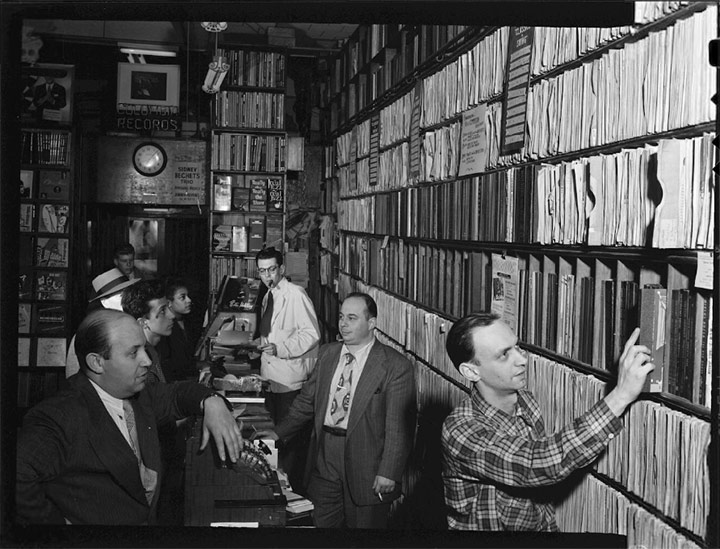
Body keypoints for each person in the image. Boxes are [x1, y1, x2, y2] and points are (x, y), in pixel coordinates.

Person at [16, 309, 243, 525]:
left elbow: (179, 394)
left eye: (144, 349)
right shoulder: (57, 416)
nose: (147, 361)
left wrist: (213, 402)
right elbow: (17, 478)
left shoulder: (138, 396)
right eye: (133, 353)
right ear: (96, 362)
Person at [440, 312, 654, 531]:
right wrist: (620, 396)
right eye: (504, 355)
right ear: (471, 371)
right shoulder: (460, 430)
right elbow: (536, 464)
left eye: (517, 347)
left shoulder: (526, 401)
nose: (522, 359)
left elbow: (539, 500)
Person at [255, 292, 416, 528]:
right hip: (325, 455)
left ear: (372, 323)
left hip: (368, 463)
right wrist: (278, 433)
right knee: (321, 524)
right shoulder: (328, 354)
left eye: (352, 318)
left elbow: (399, 427)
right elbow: (305, 403)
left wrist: (389, 471)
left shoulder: (395, 366)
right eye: (341, 317)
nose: (343, 323)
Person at [254, 246, 320, 489]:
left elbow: (311, 334)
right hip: (271, 378)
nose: (267, 276)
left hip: (290, 382)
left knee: (287, 444)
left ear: (281, 268)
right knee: (274, 438)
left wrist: (280, 348)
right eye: (262, 271)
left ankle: (291, 496)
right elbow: (271, 331)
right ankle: (277, 490)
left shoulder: (296, 294)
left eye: (272, 269)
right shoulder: (268, 294)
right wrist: (260, 345)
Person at [65, 267, 139, 378]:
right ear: (105, 301)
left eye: (128, 292)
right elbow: (73, 374)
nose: (128, 298)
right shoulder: (87, 334)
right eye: (121, 294)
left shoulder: (137, 326)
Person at [121, 279, 175, 384]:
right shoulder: (141, 362)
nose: (172, 315)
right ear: (143, 323)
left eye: (169, 307)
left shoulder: (155, 348)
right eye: (162, 311)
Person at [155, 276, 199, 382]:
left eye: (188, 296)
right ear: (169, 302)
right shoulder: (165, 329)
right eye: (182, 297)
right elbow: (173, 365)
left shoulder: (187, 322)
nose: (189, 300)